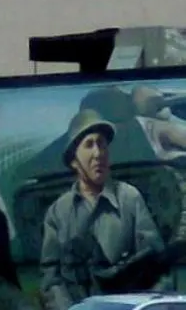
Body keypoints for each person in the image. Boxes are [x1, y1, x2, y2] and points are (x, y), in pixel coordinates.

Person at [39, 108, 165, 310]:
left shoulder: (129, 199)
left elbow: (155, 264)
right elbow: (51, 279)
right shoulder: (58, 213)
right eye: (89, 145)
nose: (98, 153)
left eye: (102, 144)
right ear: (74, 160)